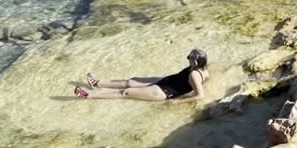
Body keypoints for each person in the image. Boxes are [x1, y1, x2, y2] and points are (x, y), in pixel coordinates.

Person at [74, 48, 208, 101]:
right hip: (167, 81)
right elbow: (205, 80)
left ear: (195, 62)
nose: (187, 58)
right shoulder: (204, 69)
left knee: (126, 92)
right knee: (130, 82)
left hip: (164, 91)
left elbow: (200, 95)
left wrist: (178, 102)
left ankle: (88, 96)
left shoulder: (194, 75)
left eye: (189, 57)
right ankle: (97, 83)